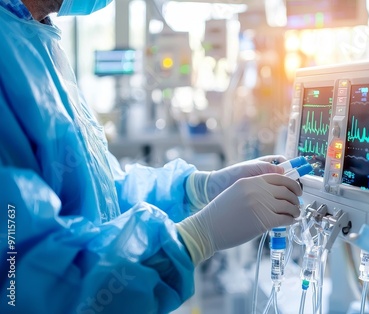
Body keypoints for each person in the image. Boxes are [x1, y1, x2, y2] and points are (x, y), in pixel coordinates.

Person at [0, 0, 302, 313]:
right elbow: (24, 282)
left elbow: (101, 191)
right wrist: (195, 237)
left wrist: (198, 187)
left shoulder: (35, 40)